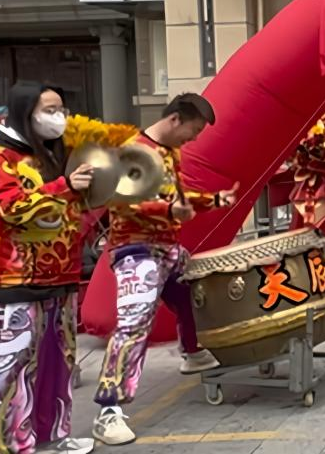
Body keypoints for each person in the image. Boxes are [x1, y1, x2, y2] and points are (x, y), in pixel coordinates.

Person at [91, 94, 237, 446]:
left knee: (193, 287)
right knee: (134, 324)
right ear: (175, 120)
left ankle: (192, 351)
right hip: (136, 251)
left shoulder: (170, 153)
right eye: (194, 130)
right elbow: (122, 202)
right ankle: (108, 410)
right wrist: (168, 212)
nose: (194, 138)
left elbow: (178, 198)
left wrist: (214, 200)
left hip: (167, 250)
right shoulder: (132, 151)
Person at [0, 82, 96, 453]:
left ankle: (55, 435)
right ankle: (13, 445)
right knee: (14, 370)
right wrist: (65, 187)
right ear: (25, 111)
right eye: (49, 110)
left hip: (61, 277)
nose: (59, 118)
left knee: (59, 363)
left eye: (61, 110)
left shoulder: (48, 154)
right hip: (15, 281)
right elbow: (9, 207)